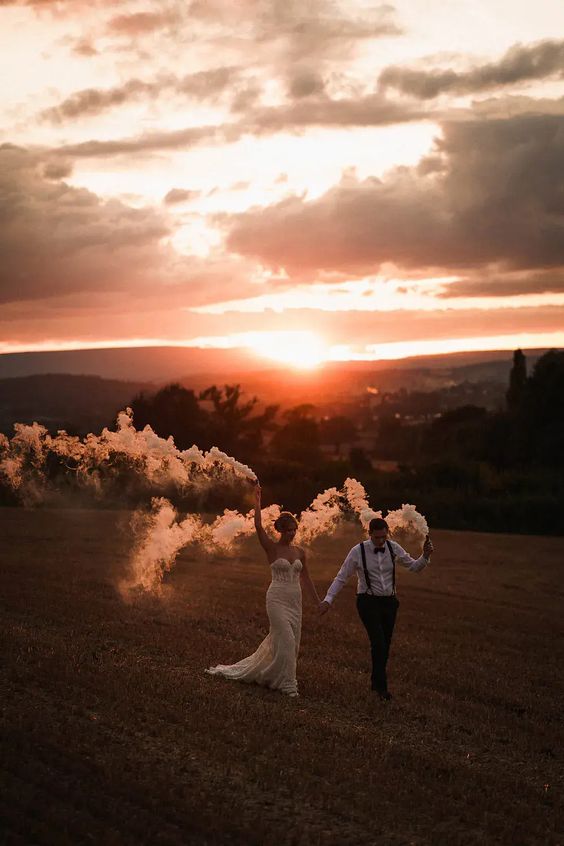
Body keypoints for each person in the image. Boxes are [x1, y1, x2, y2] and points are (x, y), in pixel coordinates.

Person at [206, 483, 321, 697]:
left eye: (294, 529)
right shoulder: (272, 548)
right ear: (280, 530)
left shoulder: (300, 552)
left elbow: (306, 578)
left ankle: (274, 674)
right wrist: (257, 501)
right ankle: (288, 684)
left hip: (295, 602)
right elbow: (258, 526)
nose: (292, 533)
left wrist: (318, 603)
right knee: (286, 639)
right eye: (288, 530)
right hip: (276, 599)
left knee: (293, 643)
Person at [319, 517, 433, 700]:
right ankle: (381, 688)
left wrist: (425, 556)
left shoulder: (393, 547)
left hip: (389, 603)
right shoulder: (357, 551)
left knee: (384, 645)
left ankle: (376, 681)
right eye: (377, 537)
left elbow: (414, 567)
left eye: (383, 537)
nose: (381, 541)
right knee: (378, 642)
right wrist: (328, 600)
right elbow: (341, 577)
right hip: (367, 602)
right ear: (369, 534)